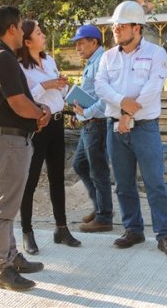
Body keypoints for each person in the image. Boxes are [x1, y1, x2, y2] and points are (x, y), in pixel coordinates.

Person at [95, 0, 167, 257]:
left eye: (122, 26)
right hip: (116, 129)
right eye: (115, 26)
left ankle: (165, 234)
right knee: (123, 184)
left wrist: (128, 113)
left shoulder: (156, 55)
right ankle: (133, 229)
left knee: (155, 182)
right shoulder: (108, 57)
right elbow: (101, 86)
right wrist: (122, 105)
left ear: (137, 28)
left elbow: (152, 89)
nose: (116, 30)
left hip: (144, 128)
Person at [0, 6, 51, 291]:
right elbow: (18, 102)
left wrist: (38, 110)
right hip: (6, 142)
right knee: (2, 208)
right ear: (11, 29)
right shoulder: (3, 58)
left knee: (6, 204)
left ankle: (11, 257)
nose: (23, 32)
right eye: (21, 27)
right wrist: (40, 114)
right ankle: (1, 269)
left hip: (5, 140)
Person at [17, 20, 81, 255]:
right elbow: (23, 97)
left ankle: (61, 228)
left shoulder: (49, 60)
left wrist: (62, 85)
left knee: (57, 178)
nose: (43, 35)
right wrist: (45, 84)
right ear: (27, 41)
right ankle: (27, 232)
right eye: (38, 33)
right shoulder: (20, 67)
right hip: (37, 126)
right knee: (30, 180)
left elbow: (60, 94)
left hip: (56, 123)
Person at [70, 25, 113, 233]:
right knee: (80, 164)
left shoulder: (102, 62)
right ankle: (101, 207)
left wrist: (84, 113)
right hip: (88, 122)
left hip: (97, 123)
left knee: (98, 170)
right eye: (76, 43)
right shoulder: (93, 61)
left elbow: (104, 101)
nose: (77, 47)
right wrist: (78, 112)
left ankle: (104, 217)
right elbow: (91, 94)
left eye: (81, 42)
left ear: (94, 42)